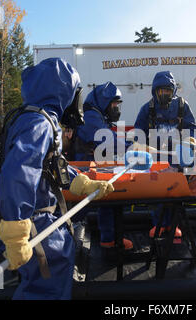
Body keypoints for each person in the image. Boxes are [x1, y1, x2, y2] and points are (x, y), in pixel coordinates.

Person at [0, 58, 114, 300]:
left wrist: (84, 183)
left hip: (36, 219)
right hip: (35, 222)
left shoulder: (34, 118)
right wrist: (17, 232)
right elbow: (19, 172)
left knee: (45, 282)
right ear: (63, 91)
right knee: (44, 289)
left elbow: (52, 165)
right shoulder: (39, 123)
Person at [65, 82, 134, 250]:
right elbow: (107, 139)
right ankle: (62, 240)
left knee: (106, 201)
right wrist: (131, 146)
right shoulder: (91, 117)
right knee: (80, 208)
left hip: (92, 167)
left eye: (117, 104)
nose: (116, 108)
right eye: (114, 104)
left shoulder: (98, 116)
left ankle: (108, 239)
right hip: (85, 170)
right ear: (104, 102)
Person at [134, 71, 196, 239]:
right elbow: (138, 131)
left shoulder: (183, 106)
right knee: (158, 195)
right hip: (157, 160)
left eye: (168, 91)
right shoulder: (148, 108)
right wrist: (140, 145)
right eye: (161, 91)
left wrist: (190, 141)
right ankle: (159, 225)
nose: (164, 94)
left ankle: (174, 227)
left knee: (176, 194)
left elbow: (192, 128)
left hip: (177, 159)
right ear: (155, 91)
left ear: (173, 91)